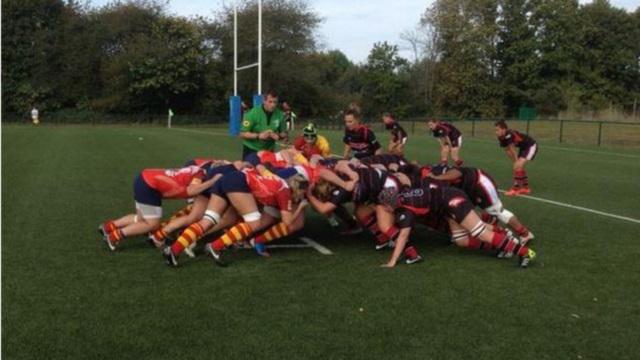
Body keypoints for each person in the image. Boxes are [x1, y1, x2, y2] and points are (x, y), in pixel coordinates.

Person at [377, 181, 536, 268]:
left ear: (391, 203)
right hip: (447, 201)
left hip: (452, 201)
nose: (384, 208)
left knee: (481, 233)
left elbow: (403, 236)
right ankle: (504, 247)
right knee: (461, 240)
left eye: (384, 205)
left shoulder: (405, 211)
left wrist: (392, 261)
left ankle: (525, 252)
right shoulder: (403, 196)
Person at [99, 164, 217, 251]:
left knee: (141, 219)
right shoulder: (200, 175)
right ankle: (113, 236)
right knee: (151, 224)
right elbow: (191, 190)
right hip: (150, 186)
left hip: (144, 178)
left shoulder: (199, 169)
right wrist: (213, 181)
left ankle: (108, 227)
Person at [427, 165, 534, 245]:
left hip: (479, 183)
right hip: (467, 189)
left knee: (498, 211)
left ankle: (525, 234)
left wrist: (437, 178)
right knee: (467, 213)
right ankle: (497, 232)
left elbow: (458, 172)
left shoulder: (437, 172)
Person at [239, 90, 287, 160]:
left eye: (275, 102)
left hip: (269, 150)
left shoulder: (280, 115)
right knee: (249, 170)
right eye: (270, 102)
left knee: (268, 170)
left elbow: (284, 133)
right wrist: (258, 136)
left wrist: (278, 136)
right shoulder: (253, 113)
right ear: (264, 101)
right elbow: (242, 133)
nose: (273, 105)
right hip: (251, 149)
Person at [494, 120, 538, 196]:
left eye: (497, 130)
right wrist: (514, 161)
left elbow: (512, 149)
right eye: (495, 130)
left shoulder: (509, 135)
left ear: (504, 129)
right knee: (517, 166)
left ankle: (515, 189)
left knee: (518, 166)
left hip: (530, 146)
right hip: (523, 148)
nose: (496, 132)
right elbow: (507, 150)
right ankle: (526, 188)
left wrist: (517, 161)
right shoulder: (501, 137)